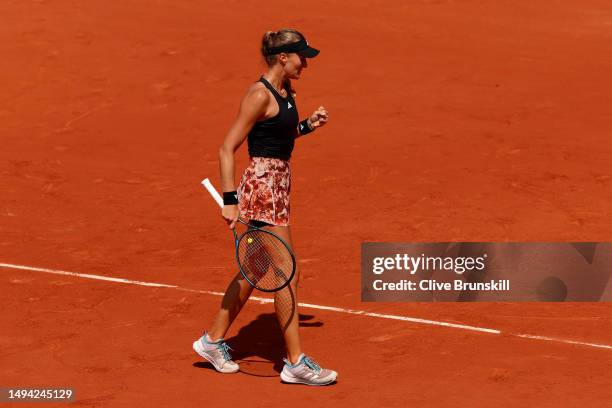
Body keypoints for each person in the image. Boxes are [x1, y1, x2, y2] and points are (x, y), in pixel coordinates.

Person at [192, 29, 337, 386]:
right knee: (288, 272)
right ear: (282, 58)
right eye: (302, 56)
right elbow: (227, 148)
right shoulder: (259, 94)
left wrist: (306, 126)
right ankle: (296, 363)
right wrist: (230, 200)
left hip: (278, 185)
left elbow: (276, 138)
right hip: (263, 188)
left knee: (255, 271)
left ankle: (211, 341)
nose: (306, 62)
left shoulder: (286, 92)